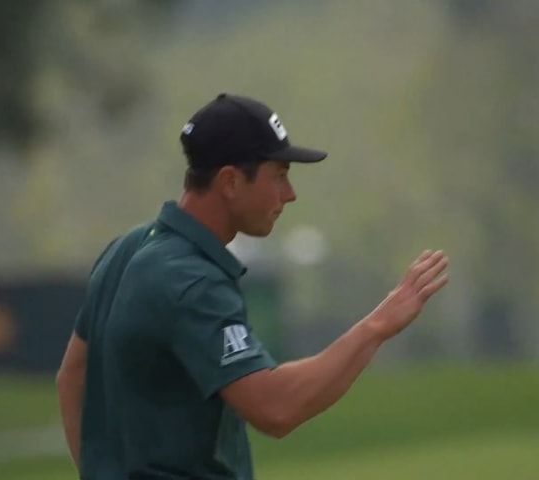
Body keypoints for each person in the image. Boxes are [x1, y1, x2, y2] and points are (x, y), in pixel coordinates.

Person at [56, 93, 449, 480]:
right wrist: (378, 326)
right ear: (229, 181)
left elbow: (71, 376)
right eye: (278, 176)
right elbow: (275, 407)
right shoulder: (192, 280)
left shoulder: (129, 247)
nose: (289, 194)